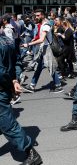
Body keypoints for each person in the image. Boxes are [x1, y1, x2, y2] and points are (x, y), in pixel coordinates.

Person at [0, 20, 42, 165]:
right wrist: (15, 80)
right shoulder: (8, 41)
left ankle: (31, 153)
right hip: (5, 86)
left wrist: (12, 84)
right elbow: (17, 61)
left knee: (8, 124)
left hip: (1, 89)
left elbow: (1, 72)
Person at [22, 9, 64, 94]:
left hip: (47, 48)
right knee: (39, 67)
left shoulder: (46, 25)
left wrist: (29, 44)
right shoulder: (43, 24)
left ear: (43, 16)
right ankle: (32, 85)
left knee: (50, 67)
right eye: (36, 15)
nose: (36, 17)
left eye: (38, 15)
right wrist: (35, 38)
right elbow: (41, 38)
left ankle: (58, 86)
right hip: (44, 48)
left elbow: (41, 39)